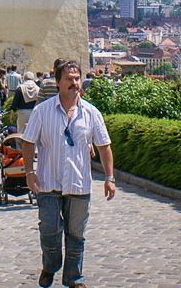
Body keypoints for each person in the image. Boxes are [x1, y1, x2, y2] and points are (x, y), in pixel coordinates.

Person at [21, 59, 115, 288]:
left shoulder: (91, 113)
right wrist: (28, 172)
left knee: (76, 235)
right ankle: (51, 266)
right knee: (49, 231)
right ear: (58, 82)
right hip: (48, 181)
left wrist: (110, 178)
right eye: (69, 79)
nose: (74, 83)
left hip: (78, 183)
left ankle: (74, 278)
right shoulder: (42, 111)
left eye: (77, 78)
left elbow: (104, 146)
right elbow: (28, 141)